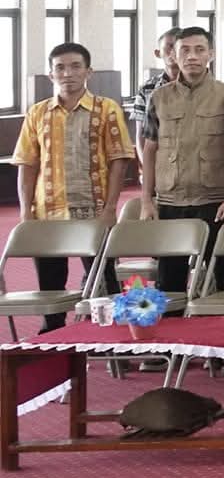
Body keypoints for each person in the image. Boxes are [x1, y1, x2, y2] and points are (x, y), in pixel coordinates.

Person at [13, 43, 134, 327]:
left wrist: (110, 208)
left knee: (103, 279)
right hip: (47, 212)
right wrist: (25, 210)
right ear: (51, 74)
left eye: (76, 66)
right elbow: (27, 163)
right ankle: (53, 332)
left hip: (94, 210)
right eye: (60, 68)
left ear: (89, 72)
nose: (68, 73)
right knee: (50, 283)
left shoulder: (106, 109)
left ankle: (109, 336)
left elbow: (119, 160)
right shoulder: (37, 113)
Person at [136, 27, 224, 294]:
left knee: (222, 280)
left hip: (214, 199)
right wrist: (147, 200)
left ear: (211, 55)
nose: (192, 56)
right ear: (173, 55)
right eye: (185, 50)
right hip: (170, 199)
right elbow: (150, 149)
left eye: (199, 50)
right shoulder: (159, 97)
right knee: (169, 282)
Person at [130, 26, 184, 137]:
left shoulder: (201, 85)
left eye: (180, 47)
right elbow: (141, 134)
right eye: (170, 47)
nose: (174, 52)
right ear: (158, 53)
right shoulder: (147, 88)